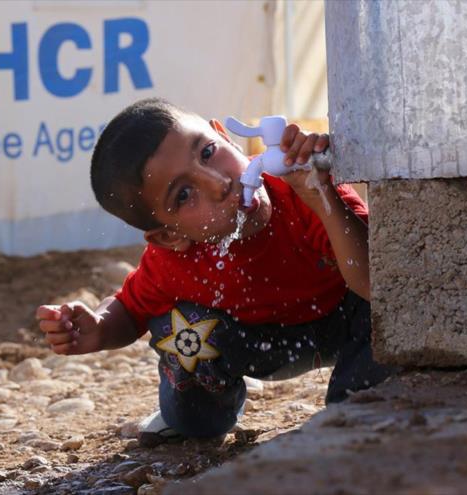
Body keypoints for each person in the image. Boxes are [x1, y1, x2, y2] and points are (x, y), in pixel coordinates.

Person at [36, 98, 395, 446]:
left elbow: (379, 285)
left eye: (208, 152)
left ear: (224, 135)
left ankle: (357, 407)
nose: (219, 183)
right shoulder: (174, 262)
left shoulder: (303, 188)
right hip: (253, 345)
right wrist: (99, 328)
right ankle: (196, 418)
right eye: (184, 194)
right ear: (169, 236)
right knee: (178, 327)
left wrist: (322, 196)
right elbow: (130, 311)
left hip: (343, 324)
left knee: (378, 329)